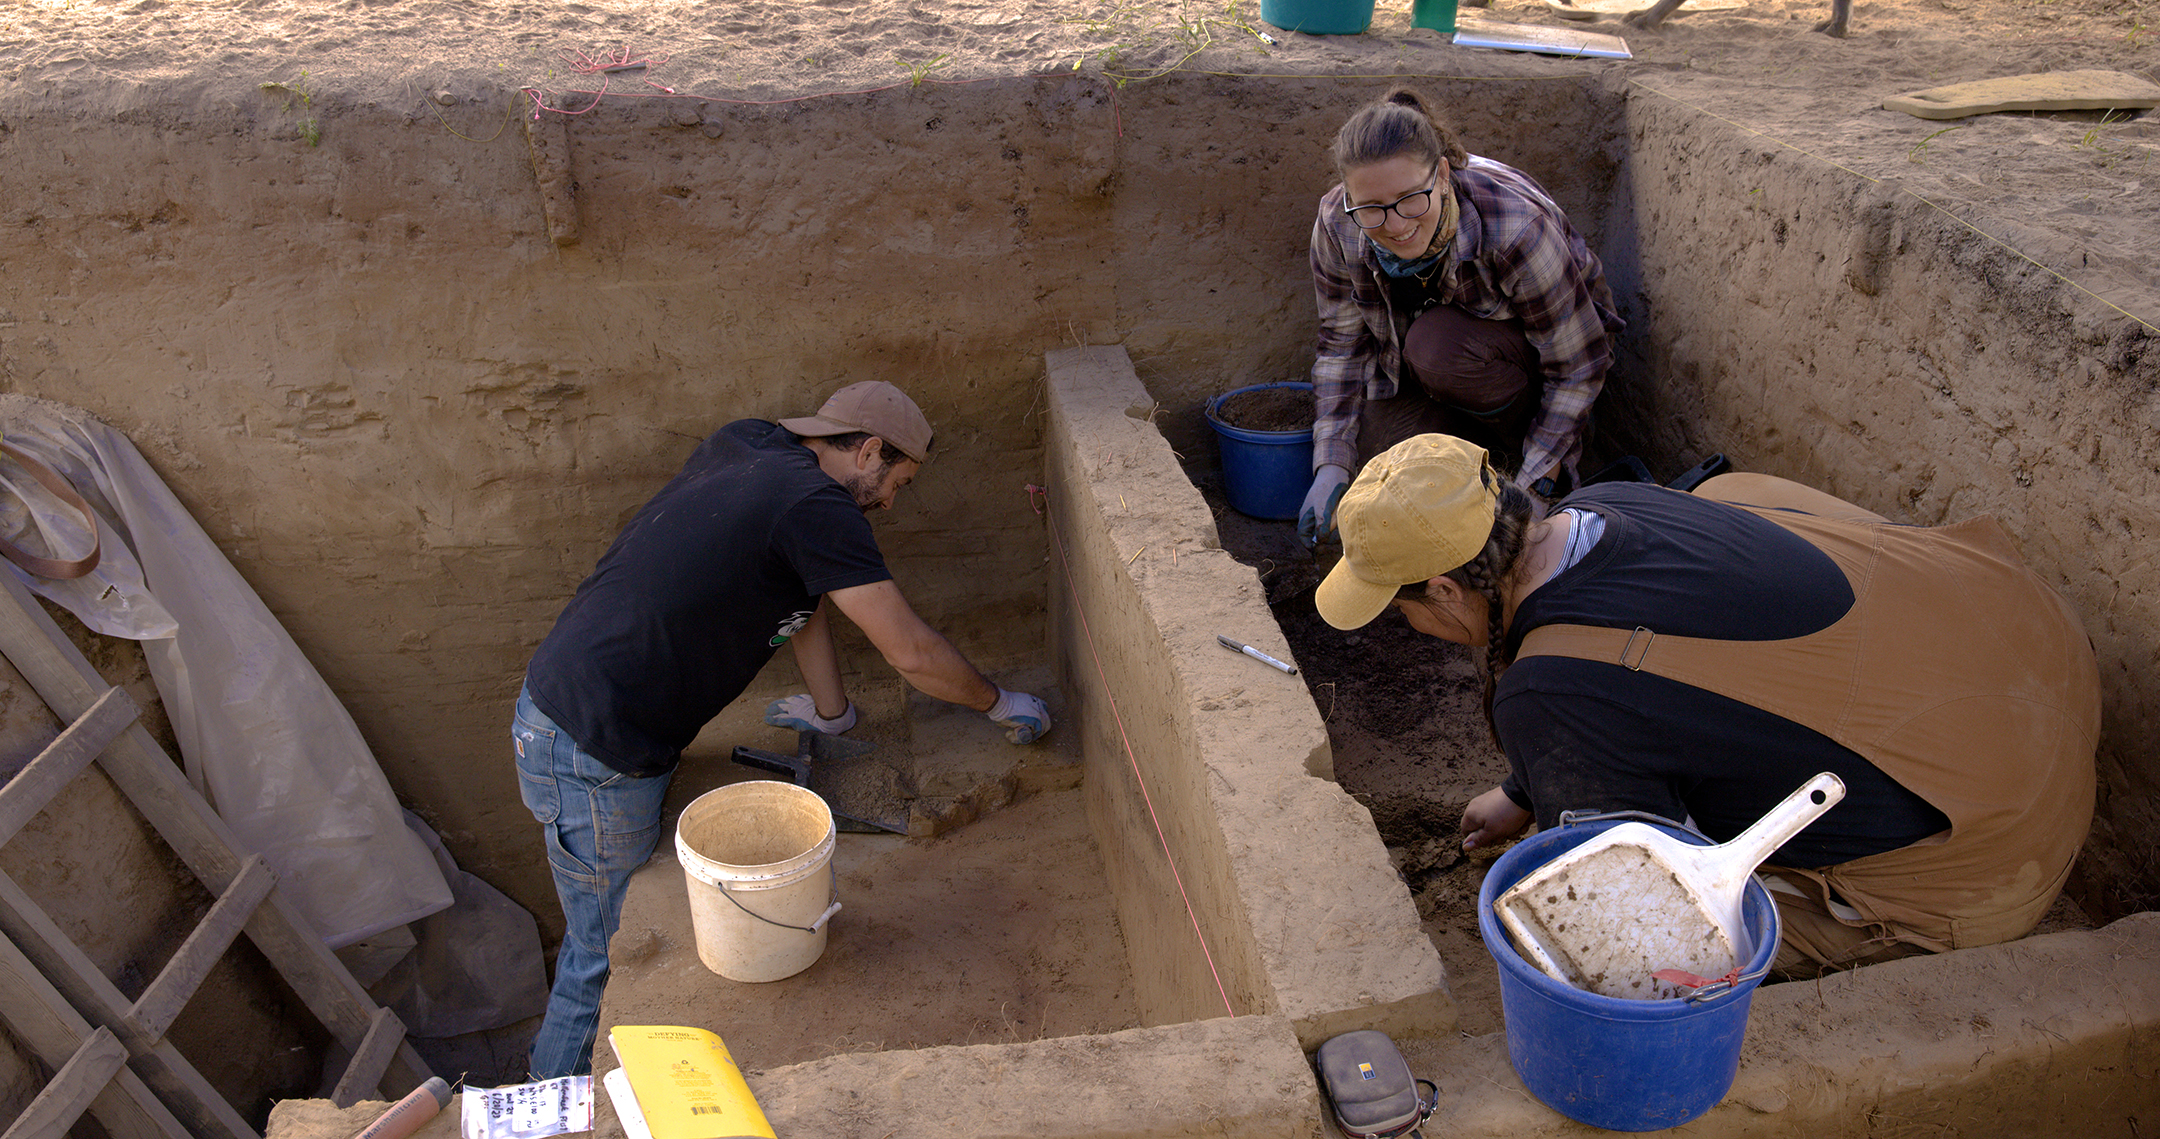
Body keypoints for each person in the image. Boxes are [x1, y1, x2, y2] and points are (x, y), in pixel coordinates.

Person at [1314, 434, 2098, 975]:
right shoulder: (1612, 500)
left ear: (1447, 588)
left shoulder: (1547, 692)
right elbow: (1641, 694)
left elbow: (1631, 897)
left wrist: (1560, 797)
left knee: (1631, 950)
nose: (1411, 622)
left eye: (1402, 606)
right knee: (1731, 494)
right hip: (2031, 648)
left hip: (1996, 848)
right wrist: (1529, 790)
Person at [512, 380, 1052, 1077]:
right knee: (601, 960)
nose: (890, 502)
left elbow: (800, 595)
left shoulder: (752, 443)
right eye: (897, 481)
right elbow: (911, 651)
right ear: (866, 451)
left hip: (570, 703)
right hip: (593, 751)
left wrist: (835, 714)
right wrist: (997, 700)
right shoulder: (817, 506)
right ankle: (540, 1108)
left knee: (600, 949)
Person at [1298, 86, 1624, 548]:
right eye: (1370, 208)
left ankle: (1517, 454)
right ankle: (1468, 442)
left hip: (1530, 361)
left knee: (1436, 347)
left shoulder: (1515, 228)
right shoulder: (1337, 223)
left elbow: (1578, 367)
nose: (1394, 224)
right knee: (1380, 477)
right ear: (1348, 197)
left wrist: (1535, 489)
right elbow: (1341, 346)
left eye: (1411, 199)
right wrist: (1329, 464)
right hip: (1427, 370)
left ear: (1444, 175)